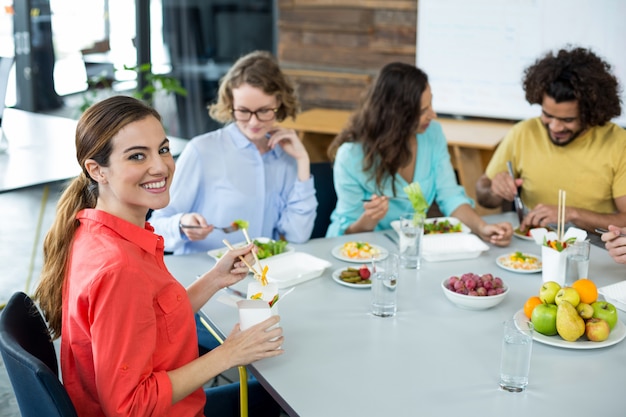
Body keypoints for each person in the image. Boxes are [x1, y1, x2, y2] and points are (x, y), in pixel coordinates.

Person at [33, 95, 282, 417]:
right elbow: (129, 406)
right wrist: (228, 354)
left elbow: (151, 321)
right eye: (137, 156)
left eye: (163, 149)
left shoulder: (100, 233)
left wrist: (214, 279)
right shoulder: (119, 269)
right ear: (97, 171)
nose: (160, 166)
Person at [325, 62, 513, 246]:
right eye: (423, 110)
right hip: (362, 251)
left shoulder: (432, 134)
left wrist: (482, 227)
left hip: (411, 248)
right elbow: (347, 232)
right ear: (396, 116)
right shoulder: (351, 156)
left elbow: (450, 196)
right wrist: (370, 218)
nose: (433, 114)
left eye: (431, 104)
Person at [149, 50, 318, 255]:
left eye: (264, 110)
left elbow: (298, 235)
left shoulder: (285, 157)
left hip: (260, 277)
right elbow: (155, 227)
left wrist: (302, 161)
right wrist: (181, 225)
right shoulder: (201, 150)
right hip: (202, 277)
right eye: (244, 111)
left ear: (279, 104)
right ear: (231, 105)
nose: (254, 122)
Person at [476, 46, 626, 233]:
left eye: (567, 120)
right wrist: (494, 190)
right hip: (532, 245)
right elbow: (483, 195)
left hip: (593, 247)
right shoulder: (524, 132)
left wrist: (572, 214)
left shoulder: (618, 143)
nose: (555, 127)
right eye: (547, 115)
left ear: (592, 114)